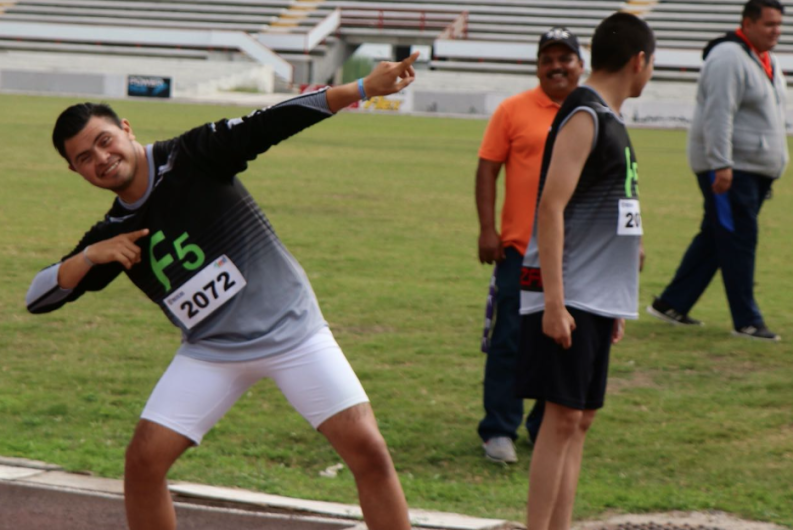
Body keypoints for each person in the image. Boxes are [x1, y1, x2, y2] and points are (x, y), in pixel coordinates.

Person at [25, 54, 420, 530]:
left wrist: (362, 87)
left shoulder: (193, 153)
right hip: (211, 353)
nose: (101, 159)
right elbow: (39, 297)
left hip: (293, 332)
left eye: (104, 142)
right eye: (84, 158)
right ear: (75, 171)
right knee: (143, 463)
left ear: (126, 129)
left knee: (370, 453)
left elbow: (274, 120)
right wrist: (89, 257)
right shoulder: (113, 235)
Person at [515, 13, 654, 530]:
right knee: (560, 419)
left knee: (579, 419)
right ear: (639, 61)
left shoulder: (608, 118)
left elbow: (617, 214)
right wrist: (554, 301)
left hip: (597, 295)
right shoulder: (586, 114)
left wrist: (618, 296)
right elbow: (550, 207)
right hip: (568, 294)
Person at [475, 27, 585, 464]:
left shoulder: (592, 111)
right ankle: (499, 429)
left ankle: (545, 428)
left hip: (578, 252)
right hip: (521, 249)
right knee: (510, 341)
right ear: (538, 65)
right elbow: (487, 169)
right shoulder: (513, 109)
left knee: (564, 343)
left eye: (565, 58)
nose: (556, 66)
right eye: (548, 59)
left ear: (581, 64)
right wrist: (488, 229)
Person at [647, 0, 786, 342]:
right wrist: (721, 163)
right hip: (731, 170)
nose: (776, 31)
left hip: (750, 170)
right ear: (748, 23)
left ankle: (671, 304)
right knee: (739, 239)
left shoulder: (765, 59)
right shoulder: (728, 56)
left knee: (716, 237)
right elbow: (719, 113)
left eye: (779, 25)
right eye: (769, 24)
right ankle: (747, 320)